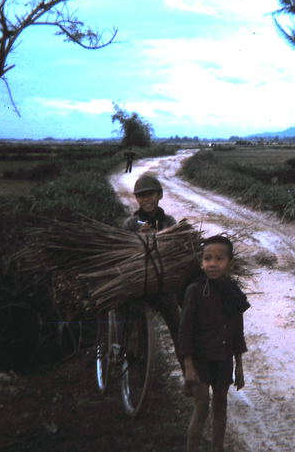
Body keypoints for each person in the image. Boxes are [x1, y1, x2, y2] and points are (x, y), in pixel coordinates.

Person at [179, 235, 249, 452]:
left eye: (219, 259)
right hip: (200, 361)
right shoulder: (196, 291)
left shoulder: (233, 293)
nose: (212, 263)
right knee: (201, 408)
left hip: (224, 360)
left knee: (221, 405)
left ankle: (217, 448)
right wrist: (189, 367)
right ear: (201, 263)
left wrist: (239, 366)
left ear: (230, 263)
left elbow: (237, 331)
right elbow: (185, 332)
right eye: (207, 258)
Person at [122, 174, 182, 367]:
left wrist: (161, 239)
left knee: (177, 326)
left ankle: (187, 372)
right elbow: (122, 253)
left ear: (160, 195)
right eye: (141, 196)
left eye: (151, 194)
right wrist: (137, 240)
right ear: (137, 199)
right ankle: (132, 357)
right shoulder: (130, 224)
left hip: (162, 283)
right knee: (133, 321)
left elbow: (176, 250)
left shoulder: (169, 222)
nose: (146, 199)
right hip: (138, 284)